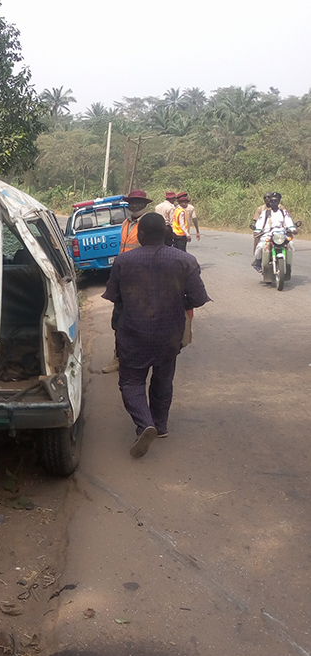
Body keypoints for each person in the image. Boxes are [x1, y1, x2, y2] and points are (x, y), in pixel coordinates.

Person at [102, 213, 211, 458]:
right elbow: (197, 298)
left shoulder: (123, 261)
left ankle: (144, 423)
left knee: (131, 381)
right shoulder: (186, 260)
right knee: (163, 378)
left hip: (132, 333)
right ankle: (160, 426)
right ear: (165, 233)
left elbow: (114, 297)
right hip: (169, 334)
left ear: (139, 235)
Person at [102, 189, 153, 373]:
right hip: (124, 278)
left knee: (139, 321)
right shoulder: (126, 222)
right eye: (131, 202)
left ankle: (140, 358)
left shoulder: (149, 224)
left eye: (138, 202)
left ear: (145, 204)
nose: (134, 205)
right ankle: (118, 358)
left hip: (141, 280)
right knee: (119, 321)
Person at [252, 192, 296, 272]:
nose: (273, 202)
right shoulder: (265, 213)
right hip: (267, 234)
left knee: (291, 246)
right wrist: (257, 231)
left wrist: (293, 229)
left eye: (275, 201)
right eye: (272, 201)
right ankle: (257, 262)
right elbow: (259, 223)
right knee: (260, 247)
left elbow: (289, 221)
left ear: (279, 202)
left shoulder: (283, 212)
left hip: (281, 234)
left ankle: (288, 264)